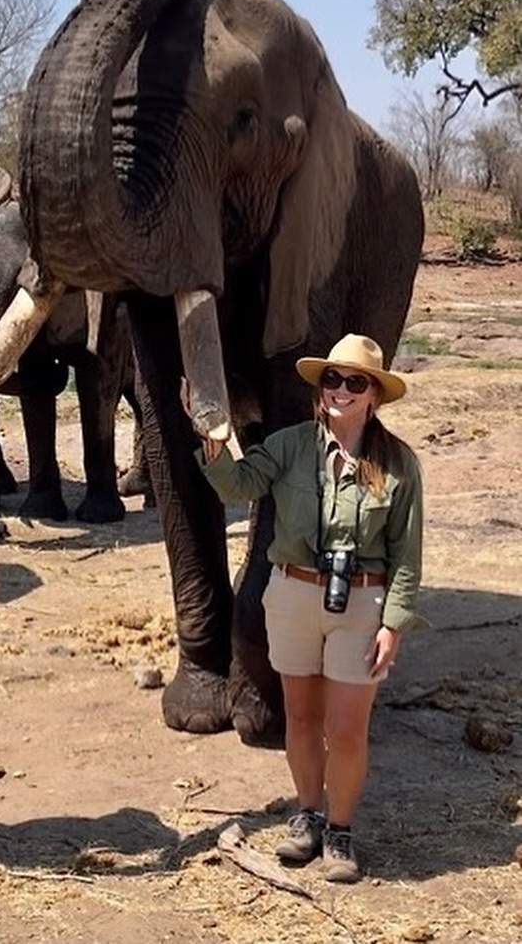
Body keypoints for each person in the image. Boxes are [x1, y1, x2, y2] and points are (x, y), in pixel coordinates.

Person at [190, 334, 423, 883]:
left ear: (374, 396)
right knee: (299, 716)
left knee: (346, 729)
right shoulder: (290, 445)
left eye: (355, 381)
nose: (340, 390)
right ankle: (309, 815)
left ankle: (340, 832)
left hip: (361, 602)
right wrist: (211, 440)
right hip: (292, 593)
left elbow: (407, 556)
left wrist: (395, 622)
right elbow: (236, 487)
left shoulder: (398, 463)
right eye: (332, 379)